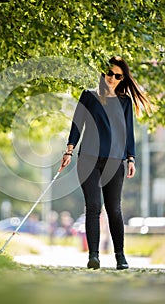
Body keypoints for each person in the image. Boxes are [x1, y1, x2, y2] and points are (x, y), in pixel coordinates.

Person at [60, 56, 152, 270]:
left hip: (115, 161)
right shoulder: (89, 96)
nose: (112, 78)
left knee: (114, 209)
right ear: (103, 73)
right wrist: (69, 150)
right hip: (88, 158)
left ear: (122, 78)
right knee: (93, 207)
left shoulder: (125, 102)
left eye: (117, 75)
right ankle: (94, 256)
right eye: (109, 73)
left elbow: (128, 132)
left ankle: (120, 256)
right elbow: (77, 125)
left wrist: (131, 158)